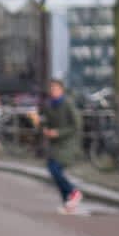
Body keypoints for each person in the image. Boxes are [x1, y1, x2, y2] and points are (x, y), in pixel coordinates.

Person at [40, 78, 84, 215]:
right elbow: (45, 122)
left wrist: (58, 132)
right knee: (52, 169)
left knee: (55, 169)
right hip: (55, 145)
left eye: (55, 88)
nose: (53, 91)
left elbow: (77, 125)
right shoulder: (48, 105)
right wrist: (42, 126)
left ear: (61, 90)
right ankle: (68, 203)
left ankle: (73, 192)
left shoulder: (68, 103)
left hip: (68, 144)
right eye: (51, 89)